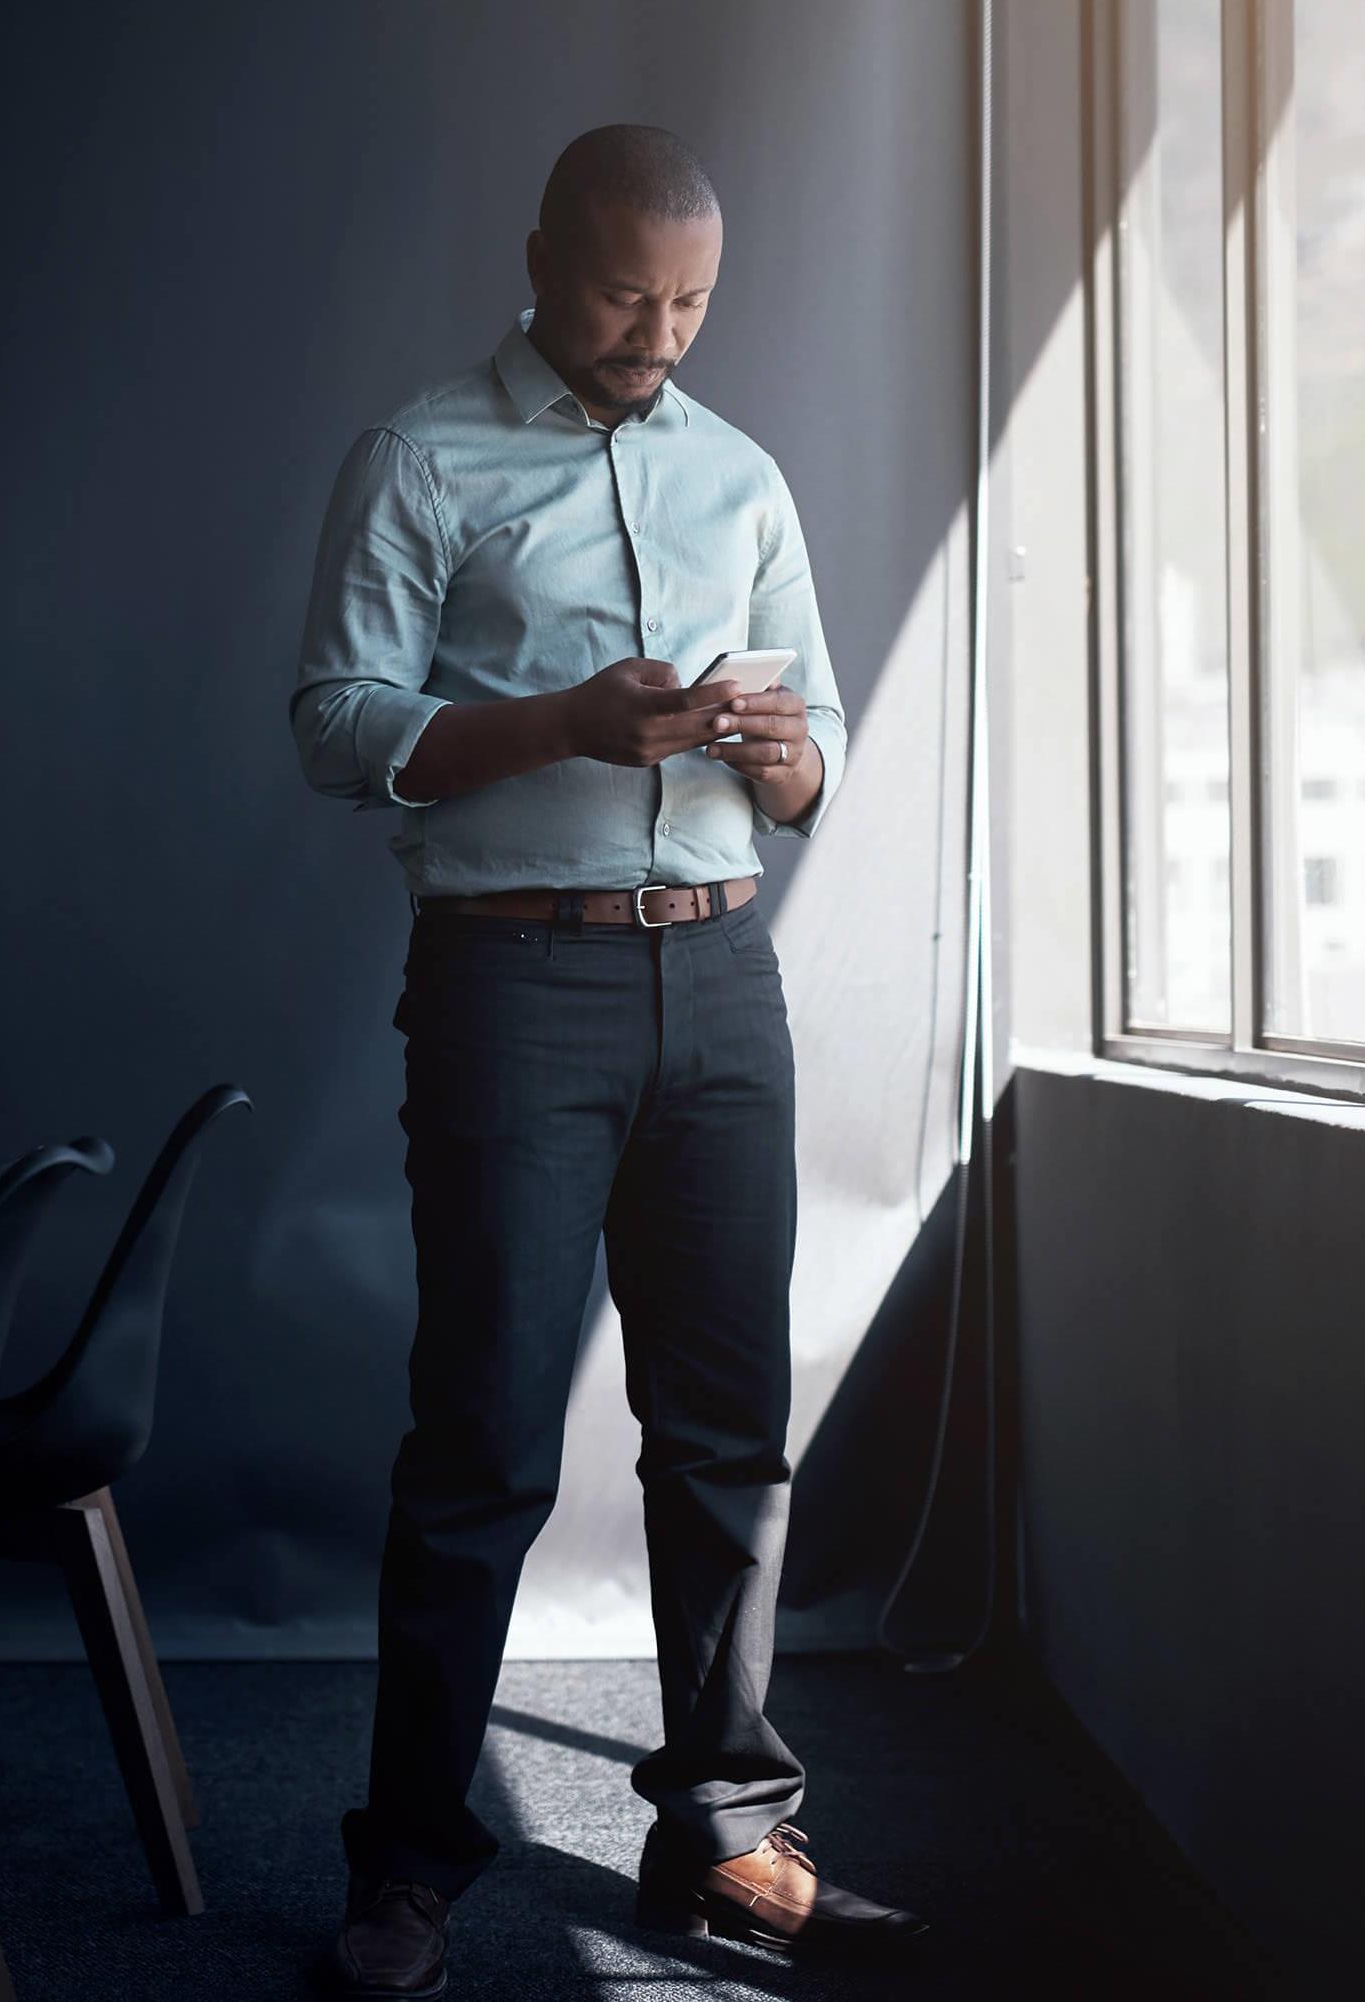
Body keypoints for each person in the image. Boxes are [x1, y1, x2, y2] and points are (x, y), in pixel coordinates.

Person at [288, 124, 925, 1997]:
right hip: (511, 985)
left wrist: (776, 745)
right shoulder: (421, 455)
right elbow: (334, 729)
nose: (661, 332)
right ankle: (406, 1863)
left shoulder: (742, 476)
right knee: (481, 1439)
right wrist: (569, 721)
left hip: (723, 980)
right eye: (628, 294)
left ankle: (724, 1827)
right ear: (545, 260)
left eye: (694, 301)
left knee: (729, 1433)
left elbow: (812, 776)